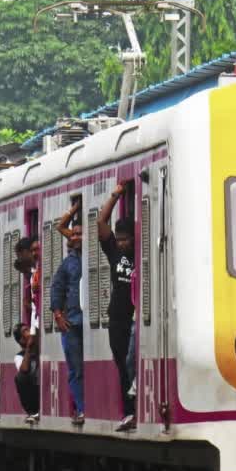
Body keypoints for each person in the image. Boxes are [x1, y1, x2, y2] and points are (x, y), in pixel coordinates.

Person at [98, 183, 138, 432]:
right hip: (118, 317)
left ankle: (136, 408)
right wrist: (115, 196)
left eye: (126, 239)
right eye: (119, 239)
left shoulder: (140, 255)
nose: (122, 243)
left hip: (136, 316)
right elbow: (101, 224)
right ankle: (128, 412)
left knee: (132, 359)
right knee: (122, 363)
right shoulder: (114, 252)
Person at [50, 201, 86, 426]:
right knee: (76, 369)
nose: (74, 237)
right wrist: (58, 315)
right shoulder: (67, 263)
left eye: (79, 234)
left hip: (88, 320)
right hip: (72, 322)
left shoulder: (95, 255)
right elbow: (56, 289)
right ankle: (82, 408)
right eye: (72, 234)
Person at [12, 323, 40, 424]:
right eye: (25, 331)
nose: (29, 333)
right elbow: (24, 370)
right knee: (19, 377)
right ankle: (32, 412)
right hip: (33, 395)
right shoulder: (19, 357)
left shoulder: (40, 349)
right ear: (21, 340)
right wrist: (28, 348)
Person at [15, 236, 41, 328]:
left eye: (19, 255)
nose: (19, 258)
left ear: (26, 251)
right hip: (36, 324)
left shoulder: (39, 270)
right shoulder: (33, 273)